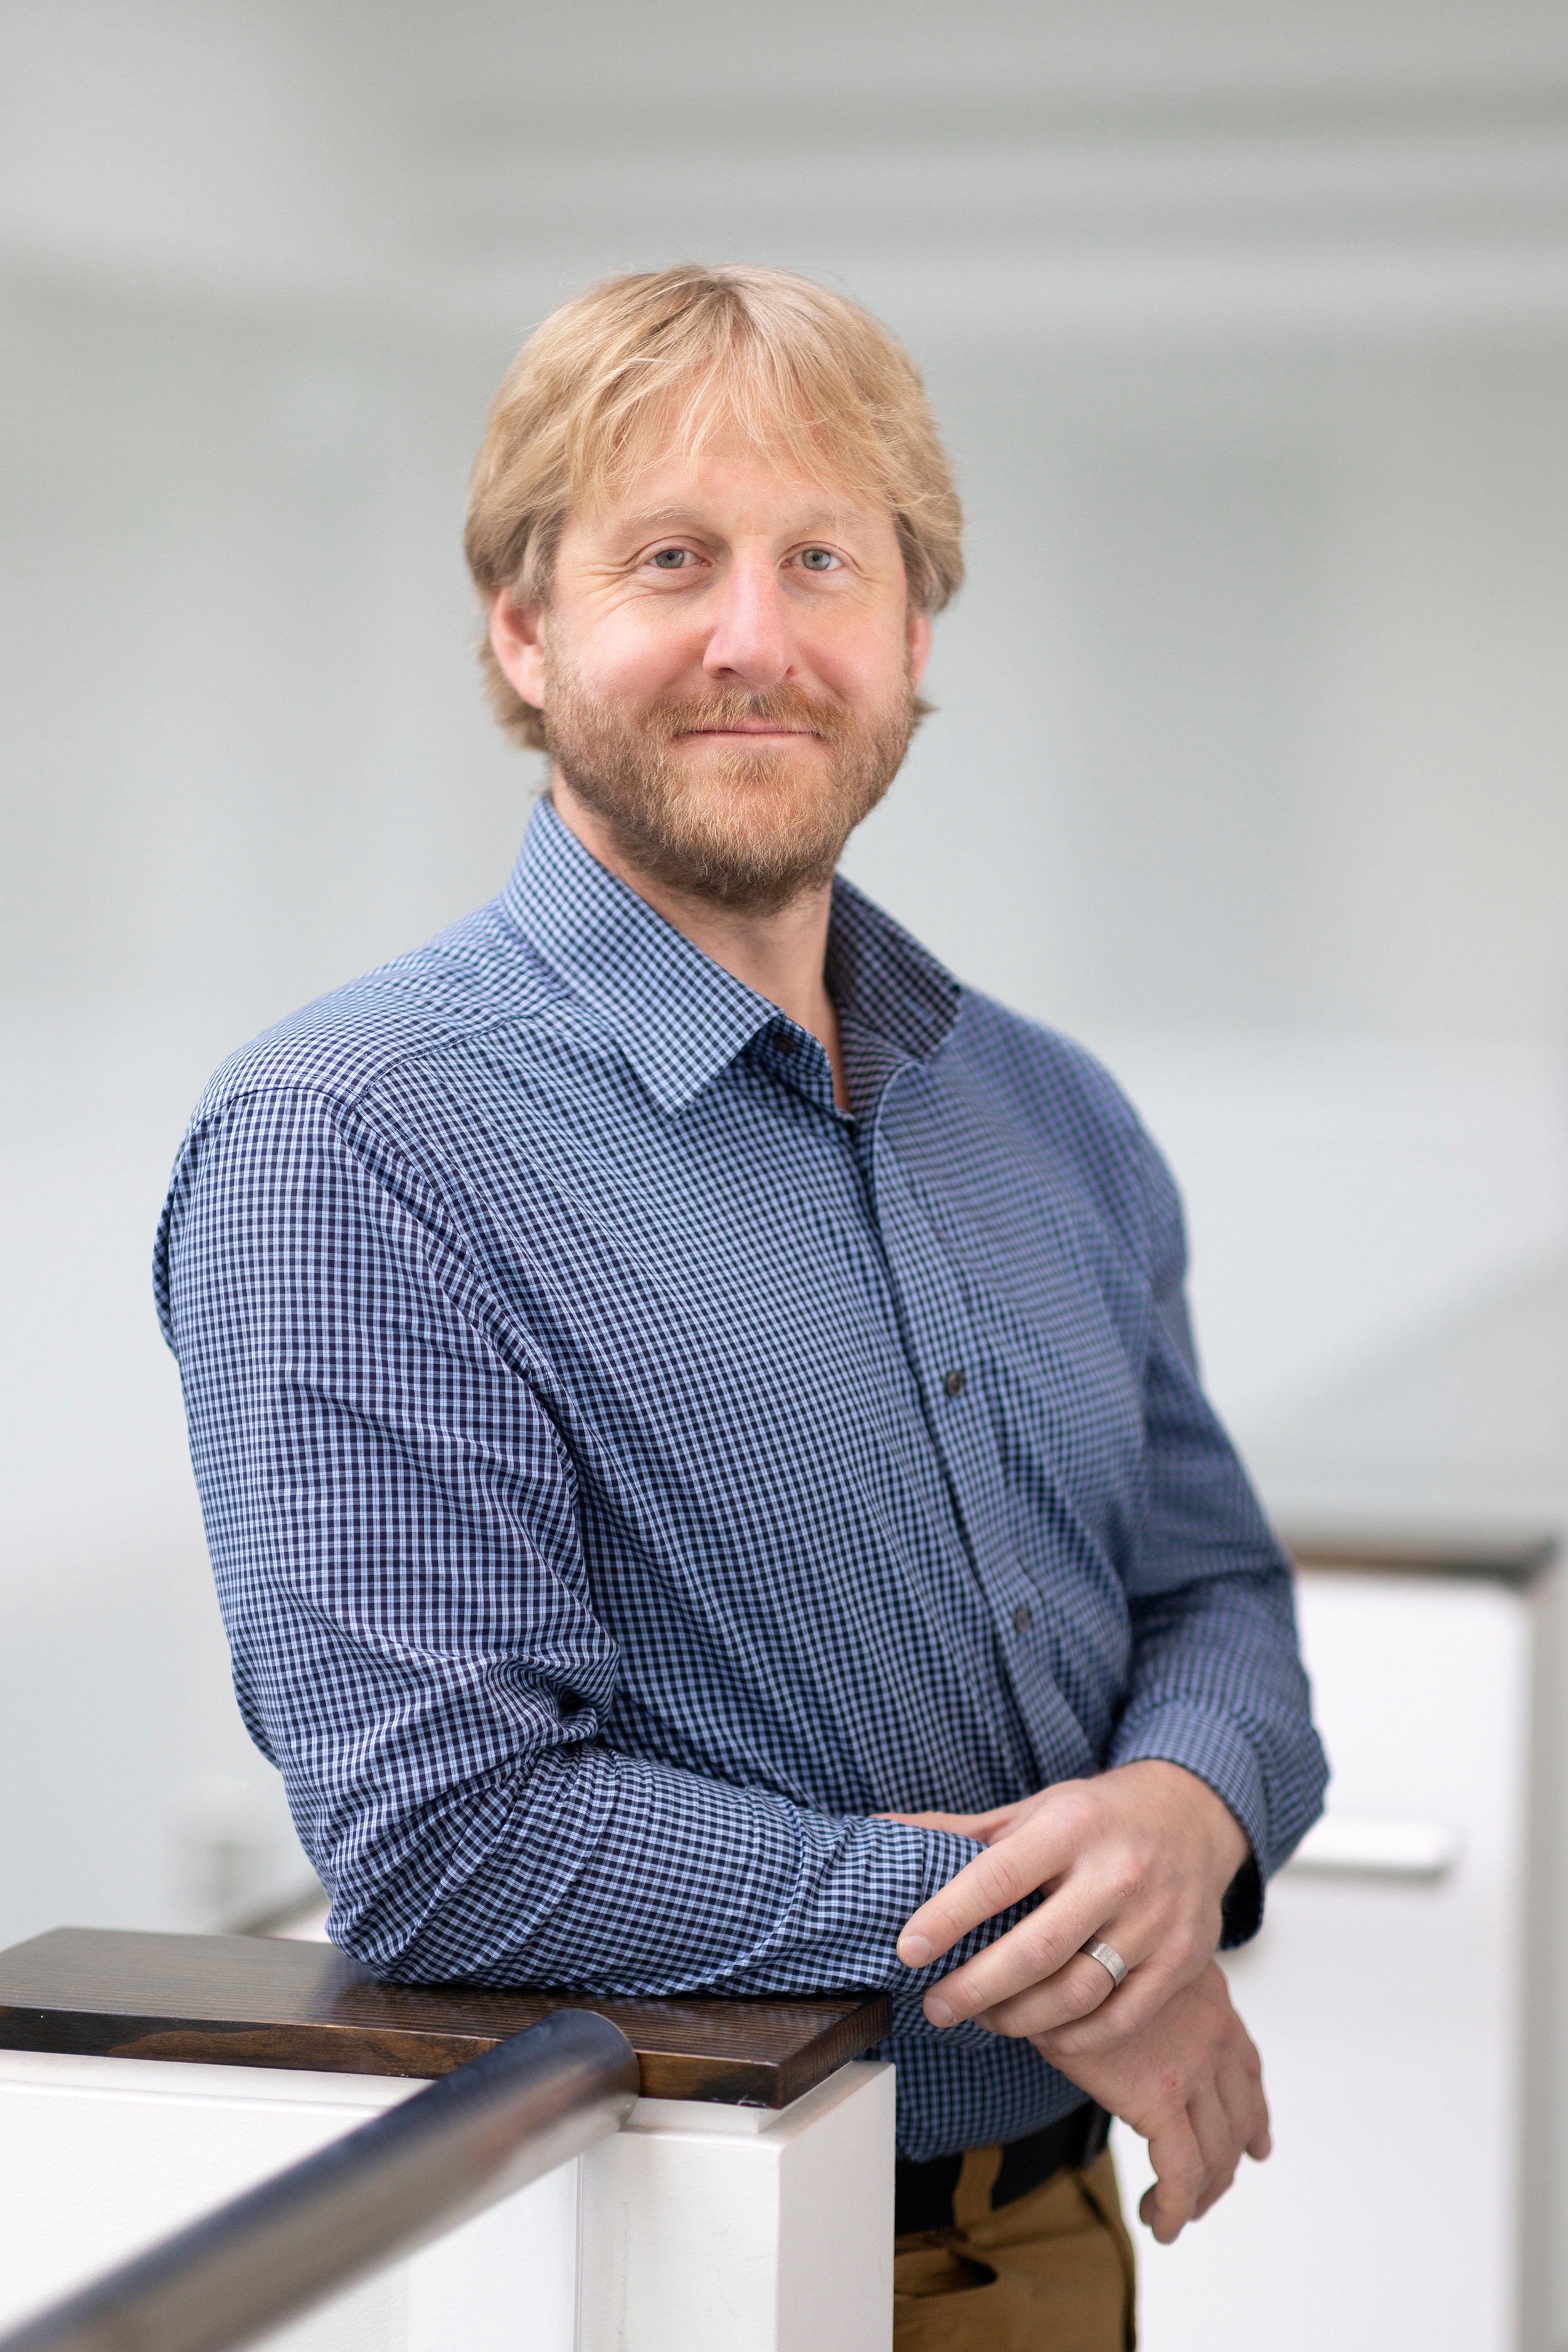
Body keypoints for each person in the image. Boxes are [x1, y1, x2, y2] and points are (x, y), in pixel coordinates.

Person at [156, 265, 1326, 2349]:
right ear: (524, 628)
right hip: (667, 2265)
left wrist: (1185, 1810)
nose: (755, 640)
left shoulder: (1054, 1114)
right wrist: (1059, 1939)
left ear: (913, 634)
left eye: (822, 563)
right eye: (670, 559)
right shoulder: (354, 1141)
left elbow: (1212, 1592)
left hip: (1063, 2233)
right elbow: (448, 1836)